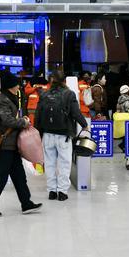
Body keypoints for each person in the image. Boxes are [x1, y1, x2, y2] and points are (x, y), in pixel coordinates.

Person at [0, 73, 42, 217]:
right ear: (10, 86)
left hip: (11, 145)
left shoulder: (9, 98)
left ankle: (26, 203)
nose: (18, 87)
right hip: (4, 145)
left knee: (19, 176)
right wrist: (23, 122)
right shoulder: (2, 100)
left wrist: (21, 119)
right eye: (16, 84)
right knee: (0, 177)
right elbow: (7, 120)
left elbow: (10, 118)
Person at [35, 70, 88, 201]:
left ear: (51, 81)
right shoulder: (69, 94)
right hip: (63, 135)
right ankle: (62, 192)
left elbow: (38, 115)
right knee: (64, 163)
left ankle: (52, 191)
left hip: (47, 134)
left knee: (49, 163)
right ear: (64, 81)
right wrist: (84, 125)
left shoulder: (44, 94)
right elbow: (76, 112)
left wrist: (39, 133)